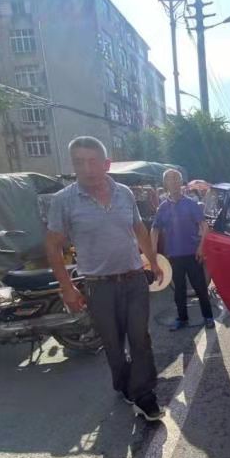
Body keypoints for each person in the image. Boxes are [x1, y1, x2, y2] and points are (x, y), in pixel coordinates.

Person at [46, 136, 165, 422]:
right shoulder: (63, 201)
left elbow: (138, 229)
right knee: (113, 344)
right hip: (99, 286)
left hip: (134, 280)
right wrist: (67, 288)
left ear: (106, 164)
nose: (86, 169)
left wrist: (153, 261)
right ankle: (123, 385)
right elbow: (53, 246)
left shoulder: (124, 193)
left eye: (92, 161)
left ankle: (144, 395)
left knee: (140, 338)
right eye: (79, 162)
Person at [151, 169, 215, 332]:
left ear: (181, 182)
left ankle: (208, 317)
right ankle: (182, 319)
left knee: (200, 287)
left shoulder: (191, 204)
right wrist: (153, 252)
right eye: (169, 179)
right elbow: (155, 229)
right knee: (179, 290)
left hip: (193, 254)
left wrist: (201, 247)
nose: (173, 181)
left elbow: (204, 226)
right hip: (173, 256)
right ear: (165, 183)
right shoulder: (163, 207)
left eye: (176, 178)